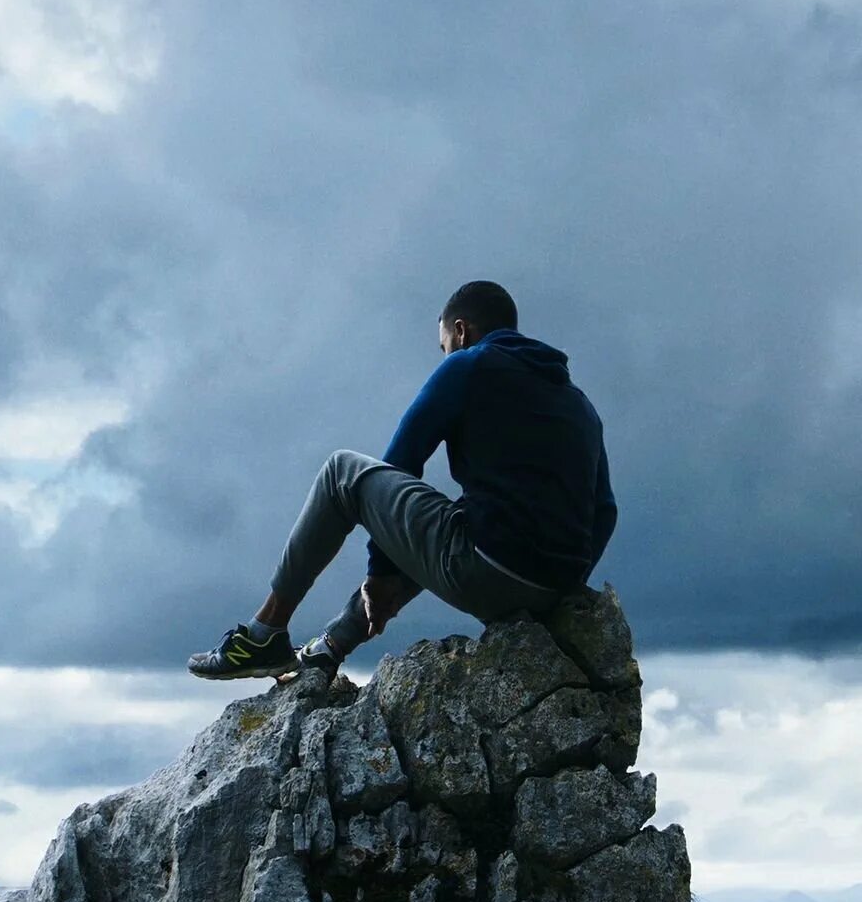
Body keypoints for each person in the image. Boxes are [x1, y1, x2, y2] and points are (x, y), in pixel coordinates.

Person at [187, 280, 615, 681]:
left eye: (444, 345)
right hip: (554, 591)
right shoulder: (579, 403)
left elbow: (401, 461)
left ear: (461, 331)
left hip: (486, 576)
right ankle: (330, 646)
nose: (445, 354)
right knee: (457, 519)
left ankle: (264, 634)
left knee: (342, 471)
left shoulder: (470, 365)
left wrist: (381, 571)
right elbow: (604, 512)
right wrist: (560, 588)